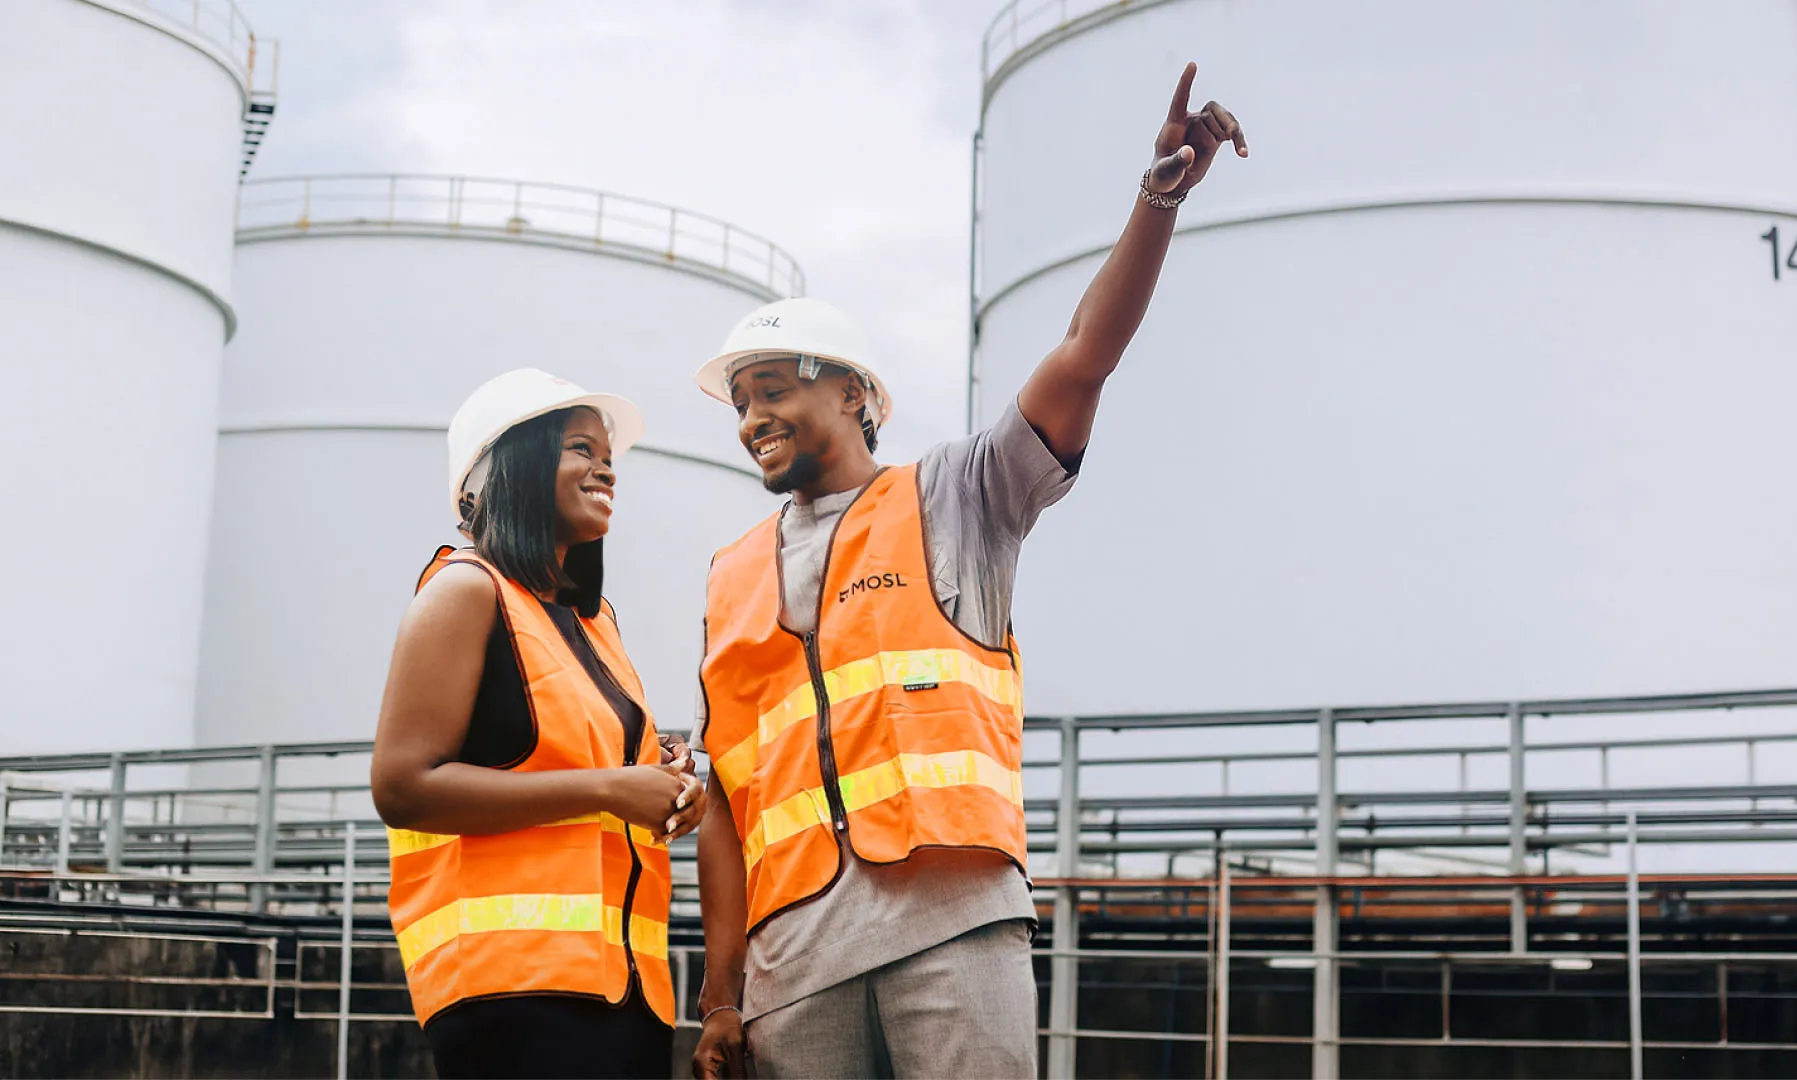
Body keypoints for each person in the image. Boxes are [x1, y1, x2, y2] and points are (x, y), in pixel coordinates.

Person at [688, 63, 1246, 1079]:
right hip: (789, 971)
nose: (753, 417)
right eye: (740, 404)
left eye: (772, 388)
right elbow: (724, 805)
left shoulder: (959, 495)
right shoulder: (728, 577)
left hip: (948, 930)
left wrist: (1155, 200)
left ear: (858, 394)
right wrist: (720, 997)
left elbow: (1082, 354)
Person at [370, 368, 707, 1079]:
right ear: (510, 469)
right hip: (515, 989)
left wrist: (671, 792)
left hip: (625, 988)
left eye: (607, 453)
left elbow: (591, 769)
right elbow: (403, 786)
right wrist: (611, 790)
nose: (605, 465)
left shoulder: (593, 624)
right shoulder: (466, 591)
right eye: (579, 447)